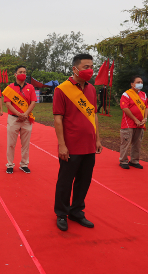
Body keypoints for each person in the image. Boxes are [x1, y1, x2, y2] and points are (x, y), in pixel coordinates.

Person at [53, 53, 103, 231]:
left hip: (89, 145)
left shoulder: (91, 89)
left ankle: (76, 211)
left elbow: (94, 115)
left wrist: (97, 138)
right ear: (74, 69)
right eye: (85, 67)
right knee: (65, 181)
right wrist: (62, 144)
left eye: (91, 67)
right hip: (71, 145)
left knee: (84, 180)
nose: (90, 71)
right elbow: (58, 119)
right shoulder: (62, 89)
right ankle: (61, 213)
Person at [3, 65, 36, 174]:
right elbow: (8, 104)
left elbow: (33, 102)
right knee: (11, 143)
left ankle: (24, 164)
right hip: (13, 118)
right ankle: (10, 164)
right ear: (15, 74)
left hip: (26, 119)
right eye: (20, 71)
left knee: (25, 144)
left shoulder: (30, 87)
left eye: (24, 71)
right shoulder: (10, 88)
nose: (23, 73)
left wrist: (25, 114)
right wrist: (18, 114)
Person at [119, 75, 148, 169]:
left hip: (140, 124)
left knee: (137, 143)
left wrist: (145, 119)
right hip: (128, 123)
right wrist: (135, 119)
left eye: (141, 82)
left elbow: (146, 107)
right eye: (138, 82)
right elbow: (125, 108)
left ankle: (134, 161)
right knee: (126, 143)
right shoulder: (126, 94)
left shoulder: (144, 94)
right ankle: (123, 161)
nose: (140, 84)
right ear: (132, 84)